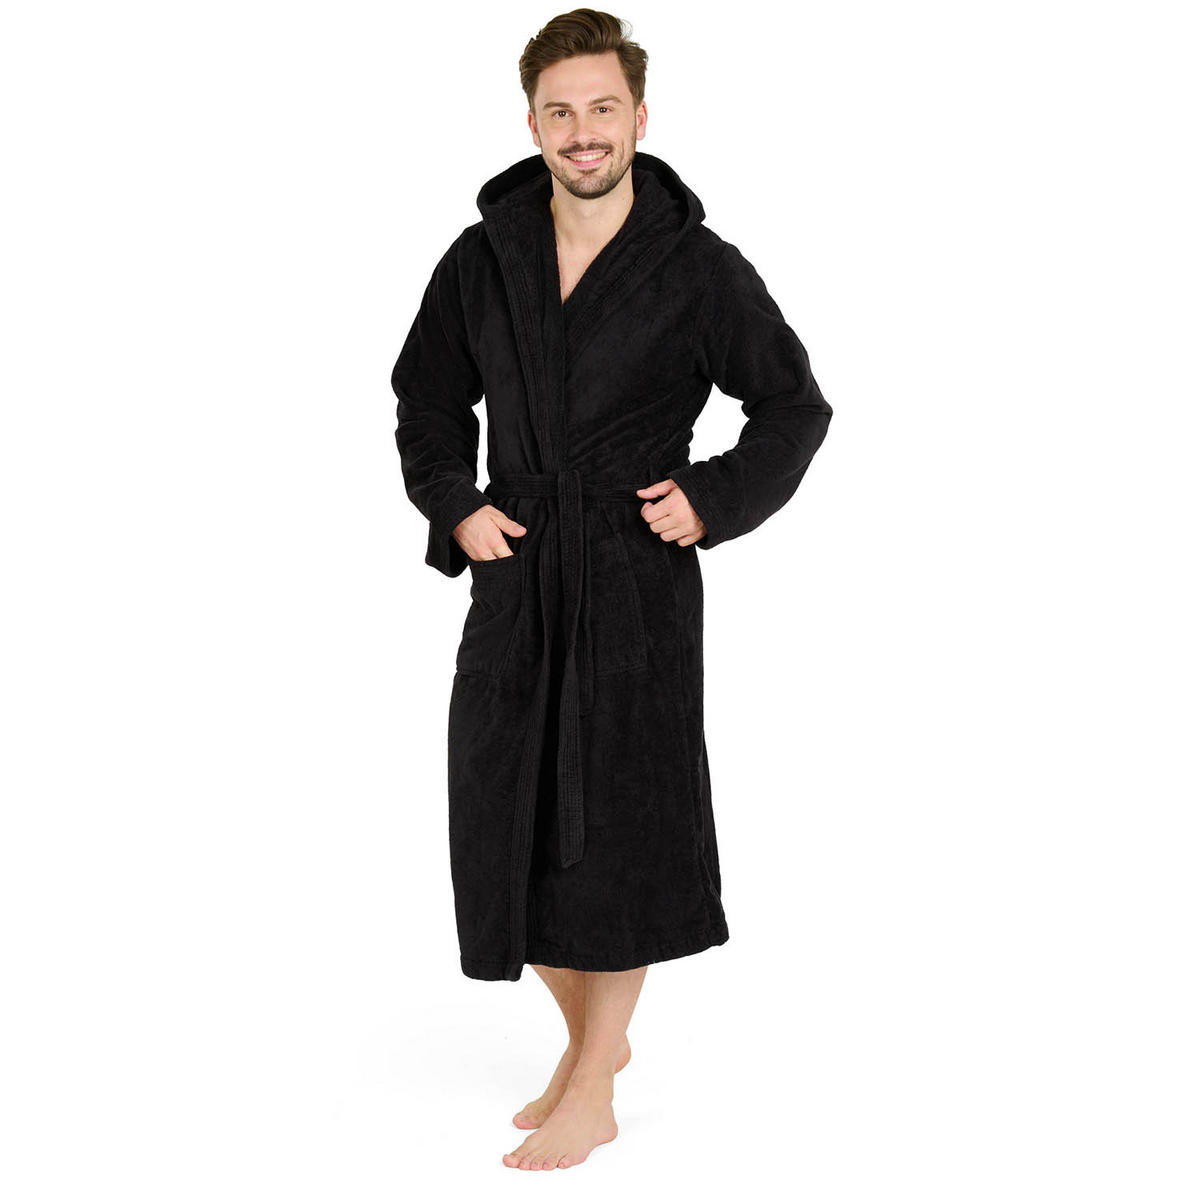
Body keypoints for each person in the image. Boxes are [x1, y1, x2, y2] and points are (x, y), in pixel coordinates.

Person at [391, 9, 832, 1170]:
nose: (581, 131)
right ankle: (599, 1039)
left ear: (640, 116)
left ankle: (592, 1081)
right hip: (518, 566)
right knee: (499, 821)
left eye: (602, 109)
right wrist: (455, 502)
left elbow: (794, 407)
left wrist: (713, 497)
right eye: (560, 111)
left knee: (618, 834)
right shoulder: (483, 257)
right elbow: (426, 398)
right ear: (532, 121)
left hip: (633, 581)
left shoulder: (696, 268)